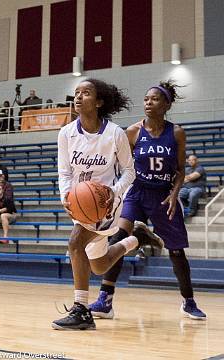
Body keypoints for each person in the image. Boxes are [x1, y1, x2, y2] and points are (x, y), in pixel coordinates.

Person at [89, 80, 206, 321]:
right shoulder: (132, 132)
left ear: (166, 104)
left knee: (176, 252)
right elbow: (116, 162)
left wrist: (175, 194)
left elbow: (181, 170)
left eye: (154, 99)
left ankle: (188, 301)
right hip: (136, 192)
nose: (148, 103)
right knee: (119, 238)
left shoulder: (176, 133)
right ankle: (105, 300)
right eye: (145, 99)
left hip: (163, 195)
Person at [52, 78, 142, 331]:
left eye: (86, 93)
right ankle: (134, 240)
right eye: (76, 93)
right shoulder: (66, 133)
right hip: (81, 201)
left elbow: (129, 172)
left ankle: (81, 311)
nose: (78, 97)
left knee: (75, 242)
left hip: (107, 204)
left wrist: (113, 193)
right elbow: (64, 172)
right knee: (99, 265)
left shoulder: (115, 134)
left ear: (99, 102)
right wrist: (65, 196)